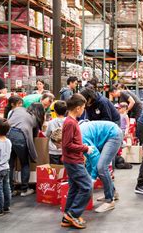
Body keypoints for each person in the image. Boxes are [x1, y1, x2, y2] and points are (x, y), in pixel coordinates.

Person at [61, 94, 94, 229]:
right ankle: (73, 214)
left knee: (74, 188)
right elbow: (67, 144)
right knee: (87, 187)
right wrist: (85, 148)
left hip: (73, 160)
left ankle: (66, 217)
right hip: (73, 161)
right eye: (83, 108)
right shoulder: (70, 123)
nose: (84, 110)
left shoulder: (71, 121)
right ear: (78, 108)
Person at [79, 120, 123, 213]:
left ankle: (109, 200)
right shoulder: (76, 136)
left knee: (101, 167)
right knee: (99, 167)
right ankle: (113, 193)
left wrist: (92, 178)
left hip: (113, 135)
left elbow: (95, 156)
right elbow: (89, 160)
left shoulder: (81, 138)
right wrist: (88, 175)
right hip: (107, 134)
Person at [7, 104, 43, 196]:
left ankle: (10, 190)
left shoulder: (18, 109)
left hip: (7, 135)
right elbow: (34, 136)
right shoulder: (35, 118)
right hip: (20, 137)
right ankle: (24, 189)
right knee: (25, 163)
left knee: (10, 164)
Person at [46, 100, 67, 164]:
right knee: (64, 171)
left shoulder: (51, 122)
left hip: (53, 151)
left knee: (54, 170)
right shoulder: (68, 121)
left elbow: (47, 135)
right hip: (65, 150)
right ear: (66, 111)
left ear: (55, 111)